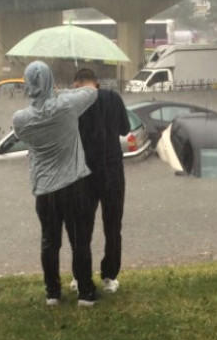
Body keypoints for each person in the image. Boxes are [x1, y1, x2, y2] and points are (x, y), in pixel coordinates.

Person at [12, 60, 98, 306]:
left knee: (49, 242)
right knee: (79, 241)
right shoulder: (67, 105)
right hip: (73, 186)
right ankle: (85, 293)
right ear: (51, 80)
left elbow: (22, 137)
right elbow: (91, 91)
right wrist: (61, 92)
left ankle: (52, 293)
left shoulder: (21, 119)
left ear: (27, 84)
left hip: (44, 190)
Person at [68, 66, 130, 293]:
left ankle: (79, 277)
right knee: (113, 226)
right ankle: (109, 277)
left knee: (82, 228)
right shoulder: (113, 98)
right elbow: (125, 129)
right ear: (97, 82)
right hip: (113, 171)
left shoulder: (73, 104)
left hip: (84, 173)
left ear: (76, 84)